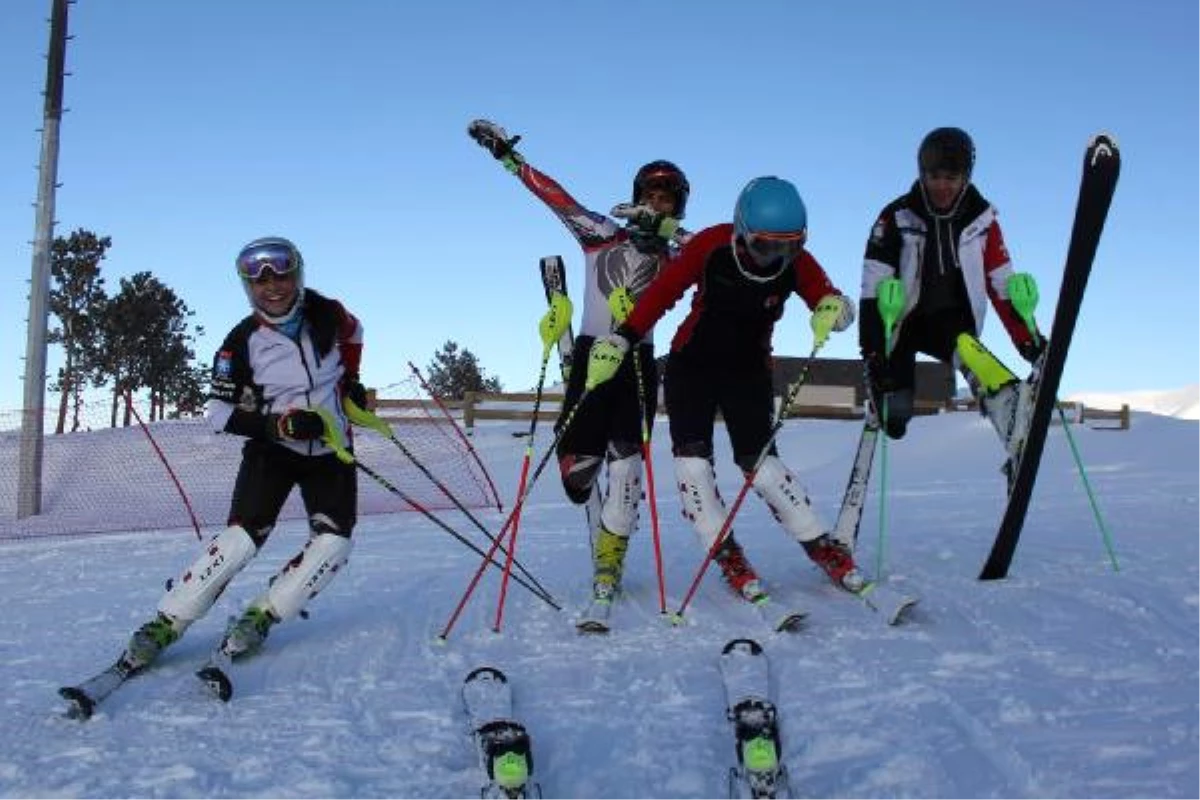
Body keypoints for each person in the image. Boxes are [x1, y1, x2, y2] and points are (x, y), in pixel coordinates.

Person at [467, 118, 715, 605]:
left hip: (638, 360)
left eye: (668, 200)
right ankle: (578, 457)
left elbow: (717, 252)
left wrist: (665, 229)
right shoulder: (602, 232)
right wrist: (509, 158)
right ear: (637, 195)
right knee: (579, 473)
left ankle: (610, 559)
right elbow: (556, 197)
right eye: (651, 196)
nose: (658, 205)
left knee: (628, 467)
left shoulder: (679, 252)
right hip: (589, 354)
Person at [586, 176, 861, 600]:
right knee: (693, 466)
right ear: (742, 231)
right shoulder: (712, 245)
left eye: (790, 245)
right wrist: (623, 336)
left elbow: (827, 296)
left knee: (763, 465)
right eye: (767, 245)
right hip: (691, 366)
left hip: (748, 370)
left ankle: (820, 544)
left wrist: (836, 308)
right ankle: (726, 553)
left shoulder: (795, 261)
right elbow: (663, 292)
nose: (777, 256)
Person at [115, 236, 367, 672]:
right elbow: (218, 413)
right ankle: (167, 621)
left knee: (334, 544)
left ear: (298, 274)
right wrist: (276, 424)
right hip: (273, 451)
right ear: (246, 287)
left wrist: (351, 385)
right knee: (241, 539)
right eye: (258, 280)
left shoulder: (331, 316)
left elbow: (354, 340)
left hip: (331, 451)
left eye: (282, 275)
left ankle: (263, 614)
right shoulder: (241, 342)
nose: (272, 287)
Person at [859, 127, 1045, 464]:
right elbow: (873, 284)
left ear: (966, 177)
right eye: (934, 176)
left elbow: (1002, 283)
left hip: (951, 319)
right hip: (900, 321)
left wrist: (1029, 342)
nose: (942, 186)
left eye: (951, 177)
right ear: (922, 174)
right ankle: (889, 397)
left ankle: (1007, 407)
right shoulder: (895, 216)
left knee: (966, 346)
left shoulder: (982, 220)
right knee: (896, 416)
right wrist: (874, 353)